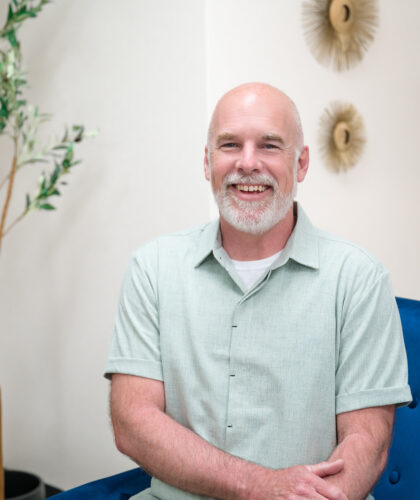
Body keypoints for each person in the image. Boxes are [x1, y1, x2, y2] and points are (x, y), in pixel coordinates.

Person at [104, 83, 411, 500]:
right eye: (230, 144)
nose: (247, 163)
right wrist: (261, 486)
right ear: (207, 161)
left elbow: (366, 441)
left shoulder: (359, 278)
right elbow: (132, 422)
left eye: (269, 145)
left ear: (301, 163)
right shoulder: (152, 268)